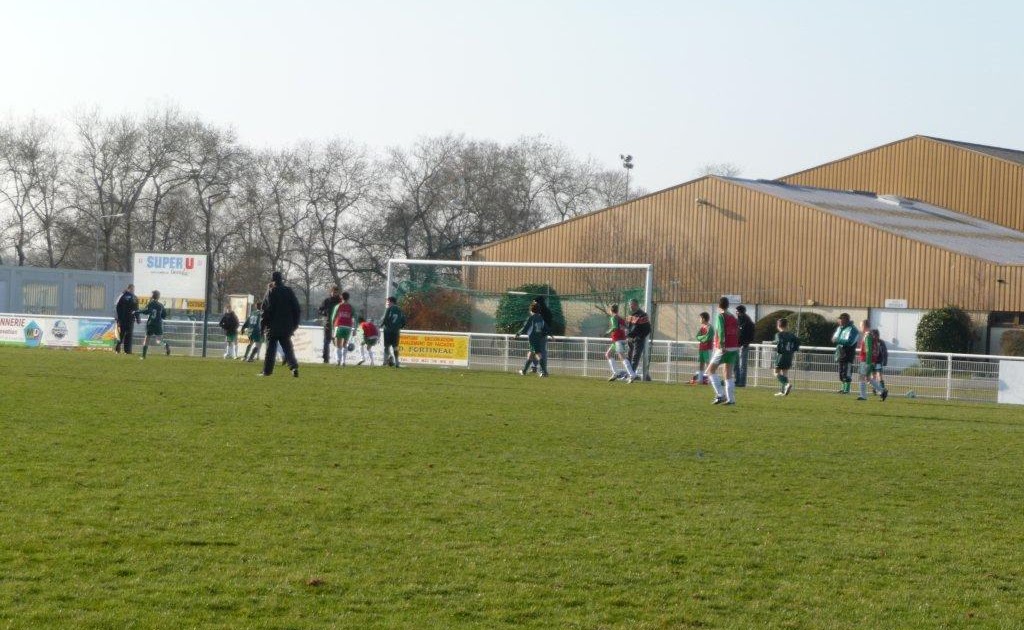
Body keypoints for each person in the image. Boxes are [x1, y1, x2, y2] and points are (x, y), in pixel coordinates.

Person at [260, 271, 301, 377]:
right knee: (288, 348)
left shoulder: (270, 292)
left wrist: (262, 326)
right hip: (287, 326)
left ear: (272, 280)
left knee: (270, 350)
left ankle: (267, 371)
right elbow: (296, 308)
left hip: (272, 326)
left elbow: (265, 310)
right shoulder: (289, 291)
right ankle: (294, 367)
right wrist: (295, 324)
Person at [705, 296, 739, 405]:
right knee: (727, 373)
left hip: (724, 347)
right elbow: (737, 331)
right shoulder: (732, 317)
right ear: (728, 305)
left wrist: (722, 345)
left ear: (719, 306)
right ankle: (731, 399)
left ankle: (720, 395)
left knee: (710, 370)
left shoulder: (721, 316)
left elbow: (721, 331)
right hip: (734, 346)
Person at [856, 319, 889, 401]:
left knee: (862, 377)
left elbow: (869, 350)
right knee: (868, 378)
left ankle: (863, 396)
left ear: (864, 326)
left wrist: (868, 362)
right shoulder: (871, 335)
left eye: (861, 326)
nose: (860, 328)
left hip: (866, 360)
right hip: (871, 360)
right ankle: (882, 391)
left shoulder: (867, 336)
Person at [516, 302, 550, 377]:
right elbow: (546, 327)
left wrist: (518, 334)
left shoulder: (531, 318)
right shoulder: (540, 317)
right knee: (530, 354)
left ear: (531, 310)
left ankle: (544, 372)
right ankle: (524, 371)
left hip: (533, 338)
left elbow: (525, 327)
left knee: (538, 355)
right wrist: (550, 335)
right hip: (538, 338)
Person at [604, 304, 635, 382]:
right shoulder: (620, 318)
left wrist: (607, 332)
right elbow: (625, 327)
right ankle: (616, 374)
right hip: (619, 340)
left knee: (622, 357)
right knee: (608, 354)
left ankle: (632, 375)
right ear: (617, 310)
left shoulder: (613, 317)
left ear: (610, 310)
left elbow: (615, 327)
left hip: (618, 340)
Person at [137, 290, 171, 360]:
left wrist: (138, 311)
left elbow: (146, 311)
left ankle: (143, 356)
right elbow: (164, 316)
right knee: (158, 341)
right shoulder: (161, 305)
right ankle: (165, 345)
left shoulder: (151, 303)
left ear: (152, 296)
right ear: (158, 297)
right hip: (158, 324)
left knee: (147, 339)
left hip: (151, 323)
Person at [832, 313, 859, 394]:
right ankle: (843, 388)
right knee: (841, 372)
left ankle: (847, 390)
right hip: (840, 353)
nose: (839, 320)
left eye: (840, 319)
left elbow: (850, 342)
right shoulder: (840, 328)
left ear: (845, 320)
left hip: (848, 354)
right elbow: (834, 338)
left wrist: (838, 340)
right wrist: (835, 340)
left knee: (847, 372)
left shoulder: (853, 329)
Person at [772, 318, 800, 397]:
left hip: (781, 356)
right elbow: (797, 341)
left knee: (775, 373)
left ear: (778, 326)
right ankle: (783, 391)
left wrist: (774, 344)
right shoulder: (791, 335)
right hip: (789, 355)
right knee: (785, 373)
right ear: (787, 325)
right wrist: (793, 350)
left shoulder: (778, 334)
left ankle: (786, 384)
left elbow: (779, 342)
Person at [527, 296, 554, 373]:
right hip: (543, 335)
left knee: (536, 351)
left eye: (535, 302)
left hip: (537, 335)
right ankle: (538, 368)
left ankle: (538, 369)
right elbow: (548, 324)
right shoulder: (547, 311)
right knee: (538, 351)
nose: (533, 303)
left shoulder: (538, 312)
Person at [113, 283, 140, 354]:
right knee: (129, 335)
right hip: (130, 319)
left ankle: (117, 349)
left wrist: (118, 318)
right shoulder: (134, 298)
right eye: (133, 289)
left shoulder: (122, 296)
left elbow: (117, 307)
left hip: (122, 319)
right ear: (131, 289)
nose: (133, 290)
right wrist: (138, 319)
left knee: (121, 334)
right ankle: (127, 351)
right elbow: (136, 309)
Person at [317, 286, 341, 364]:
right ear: (331, 292)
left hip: (337, 324)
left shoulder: (340, 302)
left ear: (338, 293)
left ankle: (339, 359)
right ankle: (325, 359)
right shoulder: (327, 301)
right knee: (326, 341)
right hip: (327, 323)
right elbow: (320, 310)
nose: (334, 294)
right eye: (333, 292)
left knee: (338, 342)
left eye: (336, 292)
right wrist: (324, 312)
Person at [381, 296, 406, 368]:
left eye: (388, 302)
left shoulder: (389, 309)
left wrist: (382, 325)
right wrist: (399, 327)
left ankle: (385, 362)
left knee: (386, 346)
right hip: (396, 331)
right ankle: (397, 362)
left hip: (388, 330)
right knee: (395, 347)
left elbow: (385, 319)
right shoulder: (400, 310)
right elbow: (404, 321)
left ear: (391, 302)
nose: (388, 303)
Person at [331, 291, 355, 366]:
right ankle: (343, 362)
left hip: (339, 326)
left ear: (341, 297)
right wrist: (355, 328)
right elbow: (355, 318)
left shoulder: (338, 306)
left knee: (337, 344)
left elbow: (333, 317)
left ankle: (338, 361)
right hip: (348, 327)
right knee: (345, 344)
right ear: (348, 298)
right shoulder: (351, 307)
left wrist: (332, 328)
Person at [735, 304, 755, 387]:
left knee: (742, 364)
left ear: (739, 312)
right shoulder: (739, 320)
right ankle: (737, 380)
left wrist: (746, 343)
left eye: (736, 311)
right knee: (736, 364)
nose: (736, 313)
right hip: (737, 345)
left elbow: (750, 334)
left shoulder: (747, 321)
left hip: (743, 345)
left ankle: (742, 382)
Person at [690, 312, 712, 385]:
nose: (699, 319)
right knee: (701, 364)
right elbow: (697, 336)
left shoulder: (710, 327)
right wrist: (703, 338)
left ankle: (710, 380)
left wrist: (702, 338)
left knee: (708, 364)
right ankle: (700, 380)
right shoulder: (702, 327)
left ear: (704, 318)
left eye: (700, 318)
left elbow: (708, 337)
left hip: (707, 348)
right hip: (701, 348)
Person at [870, 328, 888, 394]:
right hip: (872, 361)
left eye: (876, 335)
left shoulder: (881, 342)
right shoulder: (870, 342)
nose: (875, 336)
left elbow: (884, 352)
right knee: (872, 376)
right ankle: (874, 389)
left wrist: (885, 361)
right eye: (873, 335)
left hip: (878, 361)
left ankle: (882, 389)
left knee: (879, 375)